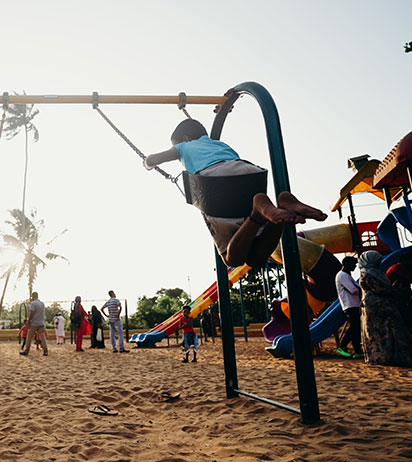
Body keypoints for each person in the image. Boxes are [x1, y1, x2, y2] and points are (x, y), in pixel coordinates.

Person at [144, 119, 327, 268]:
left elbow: (155, 159)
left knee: (232, 259)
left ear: (185, 138)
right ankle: (282, 205)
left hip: (217, 185)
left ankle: (258, 211)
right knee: (256, 259)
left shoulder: (183, 147)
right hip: (249, 176)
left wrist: (147, 163)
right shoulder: (218, 144)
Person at [359, 251, 412, 367]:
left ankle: (392, 356)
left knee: (388, 331)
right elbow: (379, 290)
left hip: (384, 305)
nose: (379, 262)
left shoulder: (376, 273)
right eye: (377, 260)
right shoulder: (367, 274)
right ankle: (382, 357)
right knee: (381, 332)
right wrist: (398, 292)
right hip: (375, 307)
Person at [335, 256, 363, 358]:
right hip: (350, 305)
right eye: (353, 264)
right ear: (346, 264)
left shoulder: (347, 275)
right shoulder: (342, 275)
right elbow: (353, 290)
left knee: (356, 328)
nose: (355, 266)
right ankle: (342, 345)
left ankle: (358, 351)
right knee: (354, 327)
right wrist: (362, 289)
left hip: (353, 304)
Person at [20, 291, 48, 356]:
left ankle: (26, 351)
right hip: (41, 322)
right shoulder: (42, 303)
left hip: (34, 323)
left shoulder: (33, 303)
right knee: (42, 337)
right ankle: (45, 351)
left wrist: (29, 321)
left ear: (33, 296)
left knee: (29, 337)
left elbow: (32, 312)